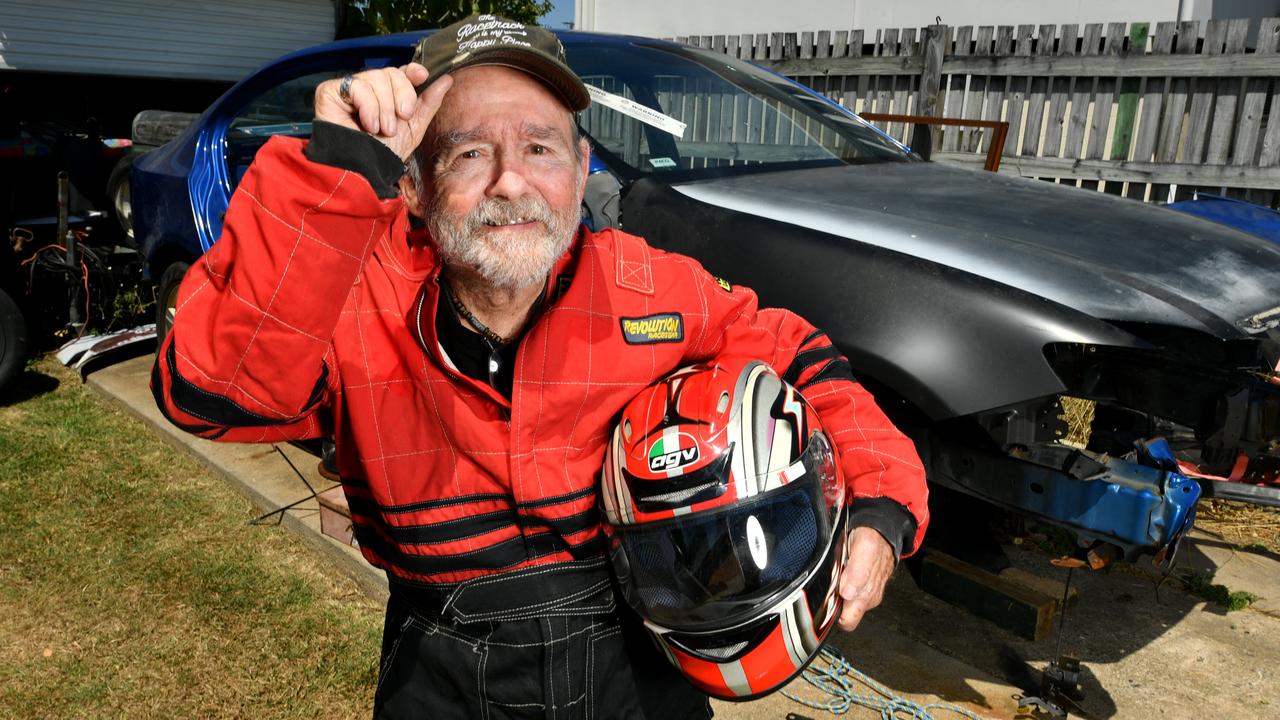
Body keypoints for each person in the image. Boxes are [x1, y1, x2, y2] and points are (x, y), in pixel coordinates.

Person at [152, 14, 929, 720]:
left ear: (581, 164)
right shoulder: (347, 290)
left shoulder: (650, 287)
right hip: (442, 671)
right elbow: (211, 397)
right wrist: (332, 173)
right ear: (415, 187)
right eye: (468, 153)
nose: (511, 183)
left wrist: (881, 508)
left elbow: (802, 355)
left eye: (539, 147)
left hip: (635, 664)